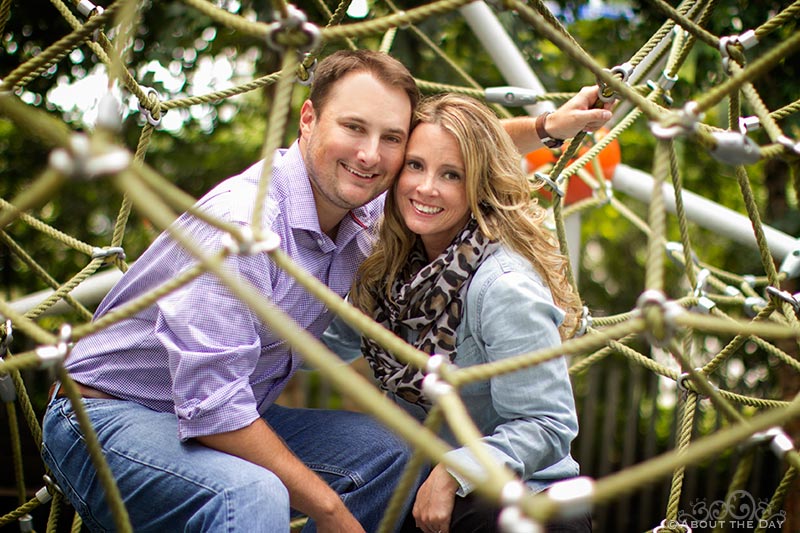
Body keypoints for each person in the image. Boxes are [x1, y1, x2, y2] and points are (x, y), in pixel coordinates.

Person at [41, 47, 610, 532]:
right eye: (353, 128)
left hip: (227, 412)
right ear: (308, 120)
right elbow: (213, 406)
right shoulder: (244, 229)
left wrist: (543, 129)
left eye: (389, 139)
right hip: (108, 414)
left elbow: (451, 153)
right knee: (250, 494)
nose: (370, 154)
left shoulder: (362, 210)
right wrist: (332, 512)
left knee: (397, 451)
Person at [323, 93, 594, 533]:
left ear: (479, 187)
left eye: (451, 175)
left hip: (518, 501)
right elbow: (322, 344)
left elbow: (548, 424)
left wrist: (455, 470)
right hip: (420, 486)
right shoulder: (387, 267)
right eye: (415, 166)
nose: (426, 187)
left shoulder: (502, 286)